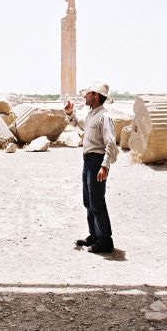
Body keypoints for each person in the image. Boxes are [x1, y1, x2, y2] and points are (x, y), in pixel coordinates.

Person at [65, 81, 119, 253]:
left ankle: (105, 240)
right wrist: (70, 113)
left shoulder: (105, 116)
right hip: (88, 161)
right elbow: (77, 123)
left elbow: (111, 144)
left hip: (97, 162)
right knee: (88, 201)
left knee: (97, 202)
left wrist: (105, 166)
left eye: (88, 93)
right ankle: (94, 235)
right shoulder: (91, 115)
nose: (85, 96)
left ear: (95, 96)